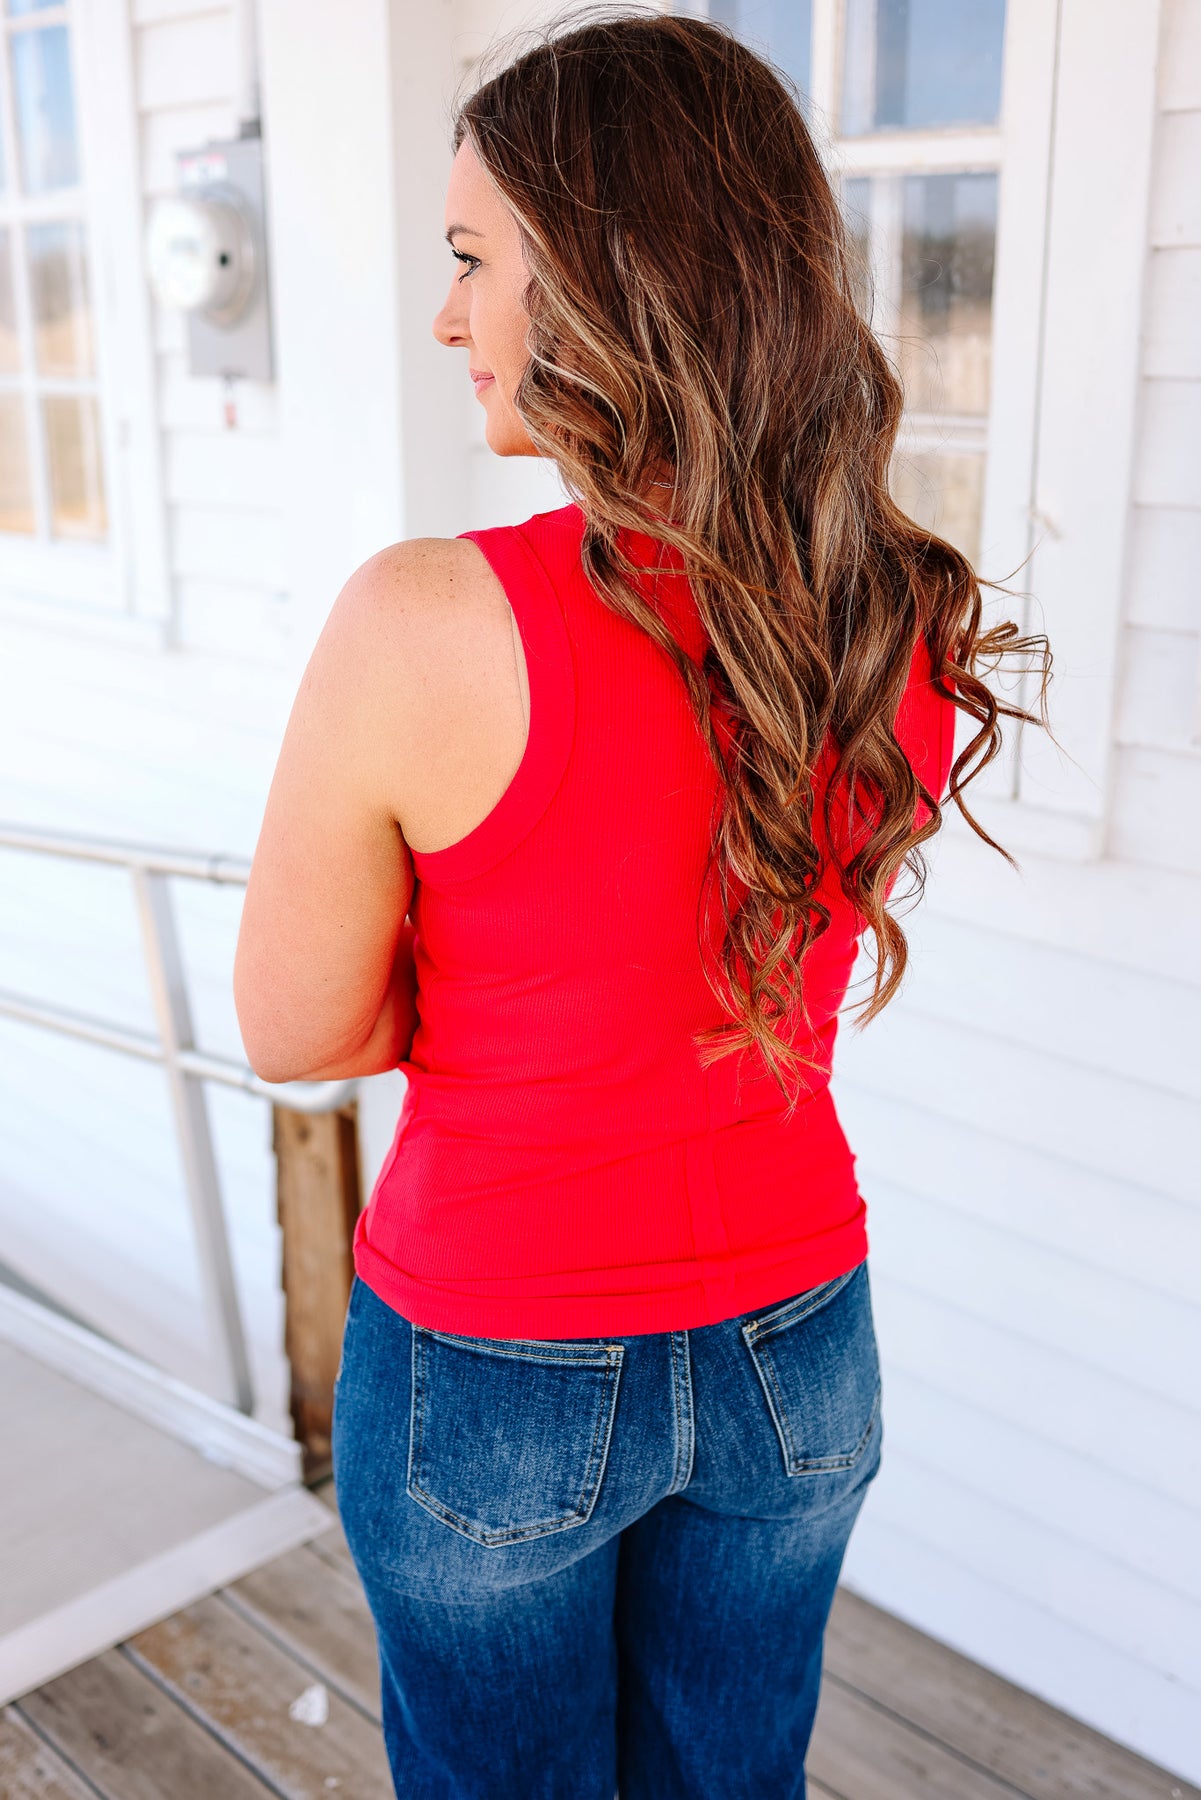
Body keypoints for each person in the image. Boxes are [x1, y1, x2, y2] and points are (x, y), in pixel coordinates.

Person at [233, 9, 1052, 1797]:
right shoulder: (890, 608)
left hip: (496, 1353)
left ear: (605, 277)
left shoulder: (421, 621)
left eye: (472, 260)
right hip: (797, 1342)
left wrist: (489, 986)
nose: (447, 317)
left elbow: (298, 1028)